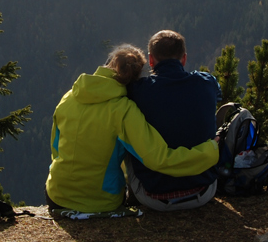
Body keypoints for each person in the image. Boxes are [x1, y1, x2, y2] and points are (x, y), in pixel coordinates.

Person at [45, 44, 218, 218]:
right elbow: (158, 159)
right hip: (102, 201)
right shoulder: (123, 110)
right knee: (133, 147)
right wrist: (209, 151)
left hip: (56, 194)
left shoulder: (69, 98)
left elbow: (55, 148)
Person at [126, 30, 221, 211]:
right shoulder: (206, 83)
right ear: (184, 59)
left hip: (152, 197)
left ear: (151, 60)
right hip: (204, 190)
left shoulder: (138, 91)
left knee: (127, 131)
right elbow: (217, 95)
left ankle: (127, 196)